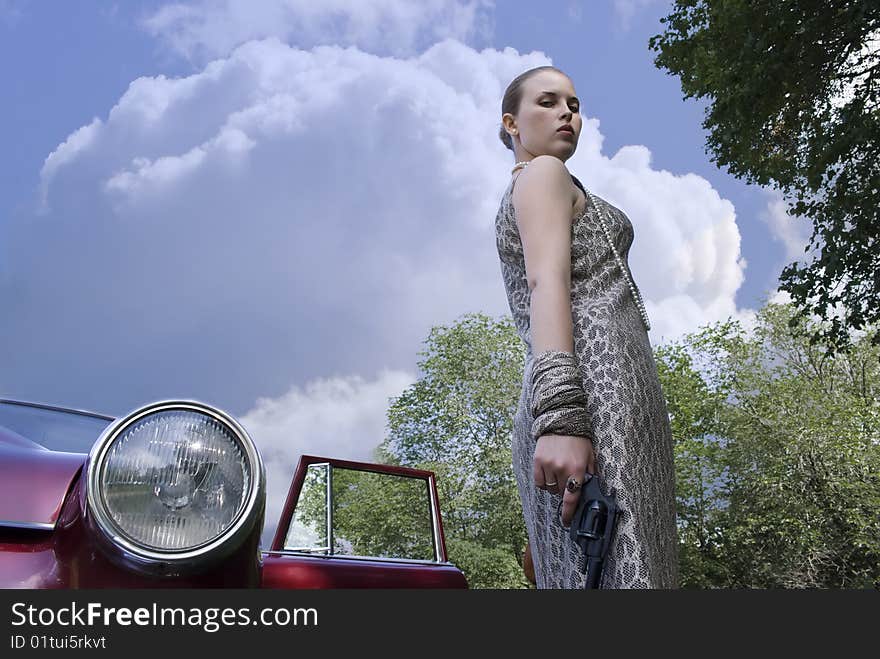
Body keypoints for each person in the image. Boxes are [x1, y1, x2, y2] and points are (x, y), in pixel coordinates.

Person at [495, 65, 678, 588]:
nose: (566, 114)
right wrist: (561, 420)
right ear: (512, 123)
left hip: (614, 394)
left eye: (573, 105)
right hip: (593, 396)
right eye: (548, 103)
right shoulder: (543, 174)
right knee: (624, 570)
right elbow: (544, 285)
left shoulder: (548, 181)